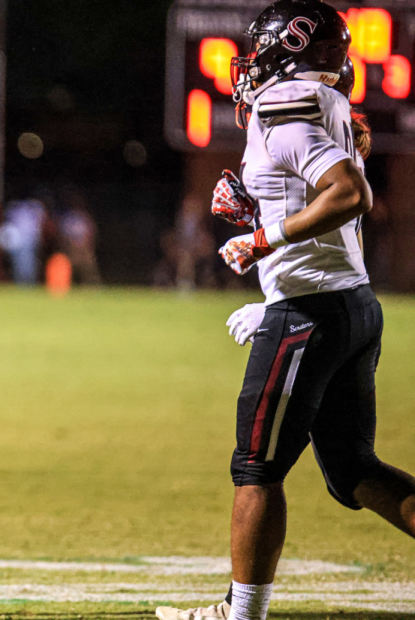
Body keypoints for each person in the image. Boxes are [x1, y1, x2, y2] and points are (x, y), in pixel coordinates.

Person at [156, 3, 415, 620]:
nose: (251, 64)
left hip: (311, 311)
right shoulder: (327, 103)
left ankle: (239, 613)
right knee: (354, 471)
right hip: (349, 301)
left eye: (261, 49)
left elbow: (350, 194)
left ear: (288, 47)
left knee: (256, 466)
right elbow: (315, 191)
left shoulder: (283, 103)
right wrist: (256, 208)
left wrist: (263, 239)